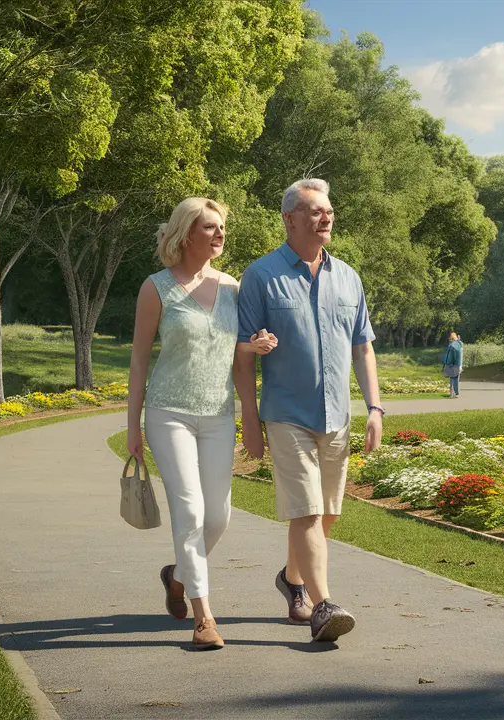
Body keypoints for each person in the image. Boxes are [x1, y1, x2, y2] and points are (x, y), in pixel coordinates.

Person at [235, 178, 383, 643]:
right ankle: (324, 606)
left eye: (329, 210)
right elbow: (241, 353)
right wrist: (250, 418)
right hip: (286, 414)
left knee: (327, 514)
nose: (326, 217)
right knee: (307, 514)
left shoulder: (349, 277)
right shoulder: (260, 276)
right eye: (316, 211)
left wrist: (375, 408)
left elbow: (363, 348)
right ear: (290, 219)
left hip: (336, 416)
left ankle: (291, 579)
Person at [127, 197, 277, 651]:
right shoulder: (156, 288)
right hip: (168, 413)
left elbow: (236, 355)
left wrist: (255, 352)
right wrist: (132, 426)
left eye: (221, 227)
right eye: (210, 227)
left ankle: (177, 576)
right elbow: (138, 361)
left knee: (218, 516)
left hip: (217, 415)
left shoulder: (231, 287)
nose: (219, 234)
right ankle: (203, 616)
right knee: (190, 510)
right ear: (185, 232)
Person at [442, 331, 463, 398]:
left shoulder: (451, 346)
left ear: (451, 338)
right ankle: (456, 394)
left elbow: (449, 356)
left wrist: (448, 363)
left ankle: (452, 394)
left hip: (451, 364)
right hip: (457, 364)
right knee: (456, 379)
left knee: (452, 379)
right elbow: (459, 355)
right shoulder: (459, 345)